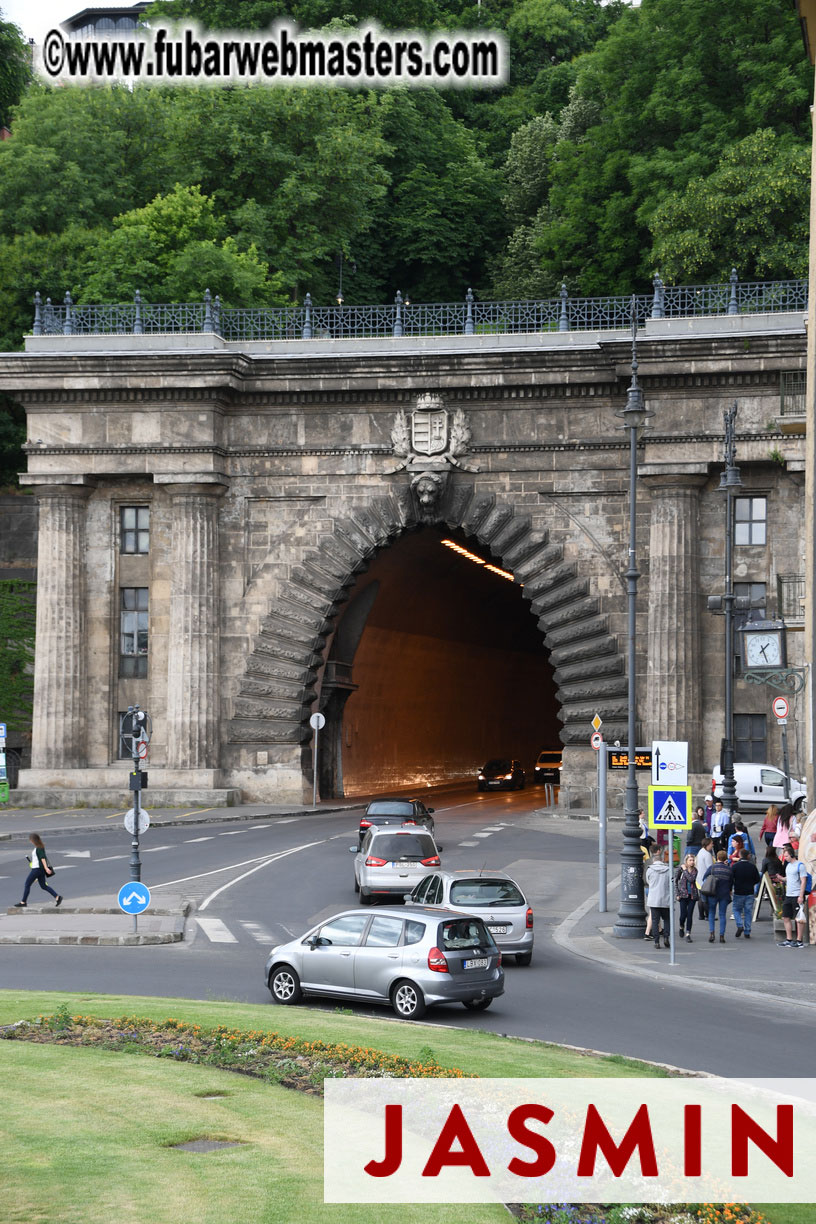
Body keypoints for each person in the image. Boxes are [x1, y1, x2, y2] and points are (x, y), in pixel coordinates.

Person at [14, 834, 62, 909]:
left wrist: (46, 868)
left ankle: (23, 902)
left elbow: (43, 858)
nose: (30, 841)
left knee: (27, 884)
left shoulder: (39, 848)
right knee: (43, 886)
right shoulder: (38, 847)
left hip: (37, 869)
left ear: (33, 840)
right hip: (39, 869)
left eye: (31, 840)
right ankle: (57, 897)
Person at [778, 845, 809, 948]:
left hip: (796, 894)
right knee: (785, 916)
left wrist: (801, 895)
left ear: (791, 855)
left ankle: (799, 940)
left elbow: (803, 881)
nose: (785, 858)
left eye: (786, 856)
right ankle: (789, 939)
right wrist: (781, 878)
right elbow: (789, 878)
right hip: (788, 894)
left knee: (799, 918)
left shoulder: (800, 865)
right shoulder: (788, 866)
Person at [702, 850, 734, 942]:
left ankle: (712, 933)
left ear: (717, 857)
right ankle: (721, 935)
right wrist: (729, 890)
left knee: (711, 913)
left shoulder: (712, 868)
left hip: (712, 893)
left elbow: (704, 878)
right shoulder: (729, 869)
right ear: (725, 858)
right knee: (722, 914)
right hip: (724, 894)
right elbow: (731, 882)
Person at [731, 848, 761, 938]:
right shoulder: (752, 867)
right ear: (748, 856)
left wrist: (731, 888)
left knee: (736, 910)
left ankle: (740, 925)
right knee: (748, 912)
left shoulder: (735, 866)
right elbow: (757, 879)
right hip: (749, 892)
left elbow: (731, 879)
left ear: (740, 856)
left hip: (738, 891)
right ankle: (747, 931)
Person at [645, 848, 671, 949]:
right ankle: (666, 937)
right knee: (667, 919)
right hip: (665, 899)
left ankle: (656, 941)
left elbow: (648, 882)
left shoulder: (649, 870)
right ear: (662, 860)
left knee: (655, 921)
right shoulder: (668, 870)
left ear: (654, 861)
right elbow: (671, 884)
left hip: (654, 899)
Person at [675, 853, 698, 942]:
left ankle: (688, 933)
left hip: (692, 895)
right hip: (683, 895)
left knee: (689, 914)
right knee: (683, 915)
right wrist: (677, 894)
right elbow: (675, 881)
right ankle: (681, 926)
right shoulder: (680, 870)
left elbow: (691, 879)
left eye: (693, 860)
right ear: (686, 861)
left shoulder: (695, 870)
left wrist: (685, 870)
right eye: (690, 860)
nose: (692, 862)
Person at [695, 836, 715, 921]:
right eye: (711, 844)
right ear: (707, 844)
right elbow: (710, 868)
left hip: (699, 878)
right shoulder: (707, 854)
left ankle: (701, 915)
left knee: (701, 898)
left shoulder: (700, 852)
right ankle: (708, 915)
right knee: (706, 899)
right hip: (705, 879)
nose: (712, 845)